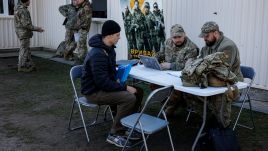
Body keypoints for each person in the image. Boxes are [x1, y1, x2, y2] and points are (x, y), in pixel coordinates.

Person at [81, 20, 143, 147]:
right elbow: (102, 83)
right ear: (109, 35)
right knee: (129, 97)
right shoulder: (97, 53)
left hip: (103, 88)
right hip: (94, 92)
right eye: (117, 35)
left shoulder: (109, 50)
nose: (119, 37)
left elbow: (109, 75)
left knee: (139, 91)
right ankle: (115, 133)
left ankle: (127, 125)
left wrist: (118, 79)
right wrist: (124, 87)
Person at [198, 21, 243, 128]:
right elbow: (198, 63)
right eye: (203, 36)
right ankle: (210, 118)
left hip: (230, 83)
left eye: (206, 36)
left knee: (219, 96)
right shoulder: (207, 46)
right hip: (212, 80)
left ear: (216, 33)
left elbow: (222, 70)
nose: (204, 39)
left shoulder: (228, 46)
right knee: (189, 93)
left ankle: (223, 125)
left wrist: (201, 69)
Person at [154, 24, 199, 117]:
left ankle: (171, 106)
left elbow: (189, 67)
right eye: (175, 37)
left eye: (180, 37)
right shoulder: (168, 42)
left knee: (176, 91)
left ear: (184, 35)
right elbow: (160, 54)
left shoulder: (192, 48)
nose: (177, 39)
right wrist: (152, 60)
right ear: (171, 37)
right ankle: (167, 104)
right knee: (153, 85)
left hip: (181, 78)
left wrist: (170, 65)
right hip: (166, 74)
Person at [14, 0, 44, 72]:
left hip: (21, 32)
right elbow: (26, 24)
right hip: (24, 33)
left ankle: (29, 64)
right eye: (29, 0)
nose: (30, 2)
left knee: (26, 49)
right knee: (24, 49)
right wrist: (37, 29)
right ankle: (21, 66)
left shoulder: (17, 8)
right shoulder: (23, 10)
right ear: (25, 1)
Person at [72, 0, 92, 64]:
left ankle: (80, 61)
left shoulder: (86, 7)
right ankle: (85, 62)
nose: (76, 0)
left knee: (81, 45)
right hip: (78, 29)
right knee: (81, 45)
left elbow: (87, 20)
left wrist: (82, 28)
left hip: (83, 29)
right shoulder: (80, 6)